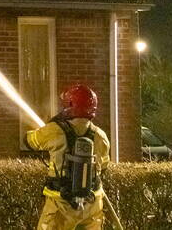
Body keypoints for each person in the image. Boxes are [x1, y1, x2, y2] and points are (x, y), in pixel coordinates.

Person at [25, 84, 110, 230]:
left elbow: (29, 141)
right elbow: (103, 167)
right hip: (92, 207)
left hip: (61, 205)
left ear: (69, 105)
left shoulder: (54, 130)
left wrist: (51, 124)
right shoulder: (101, 136)